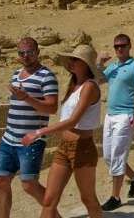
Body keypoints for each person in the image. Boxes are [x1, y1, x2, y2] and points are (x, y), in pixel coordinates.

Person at [22, 45, 104, 218]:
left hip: (82, 148)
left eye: (76, 60)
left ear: (86, 64)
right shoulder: (74, 85)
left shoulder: (89, 87)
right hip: (64, 147)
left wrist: (39, 132)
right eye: (71, 59)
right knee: (48, 201)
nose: (71, 62)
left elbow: (73, 121)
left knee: (88, 199)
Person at [0, 38, 59, 218]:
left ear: (37, 52)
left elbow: (52, 108)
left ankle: (54, 214)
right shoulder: (16, 74)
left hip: (31, 140)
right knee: (1, 181)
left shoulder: (47, 76)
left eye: (29, 52)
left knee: (29, 184)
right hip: (9, 138)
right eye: (21, 53)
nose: (25, 56)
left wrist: (27, 98)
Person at [97, 34, 134, 211]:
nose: (119, 49)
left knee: (117, 156)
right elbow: (98, 80)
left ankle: (115, 197)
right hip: (110, 116)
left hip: (126, 116)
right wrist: (99, 63)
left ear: (129, 46)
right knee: (108, 157)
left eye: (122, 45)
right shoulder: (113, 67)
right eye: (116, 46)